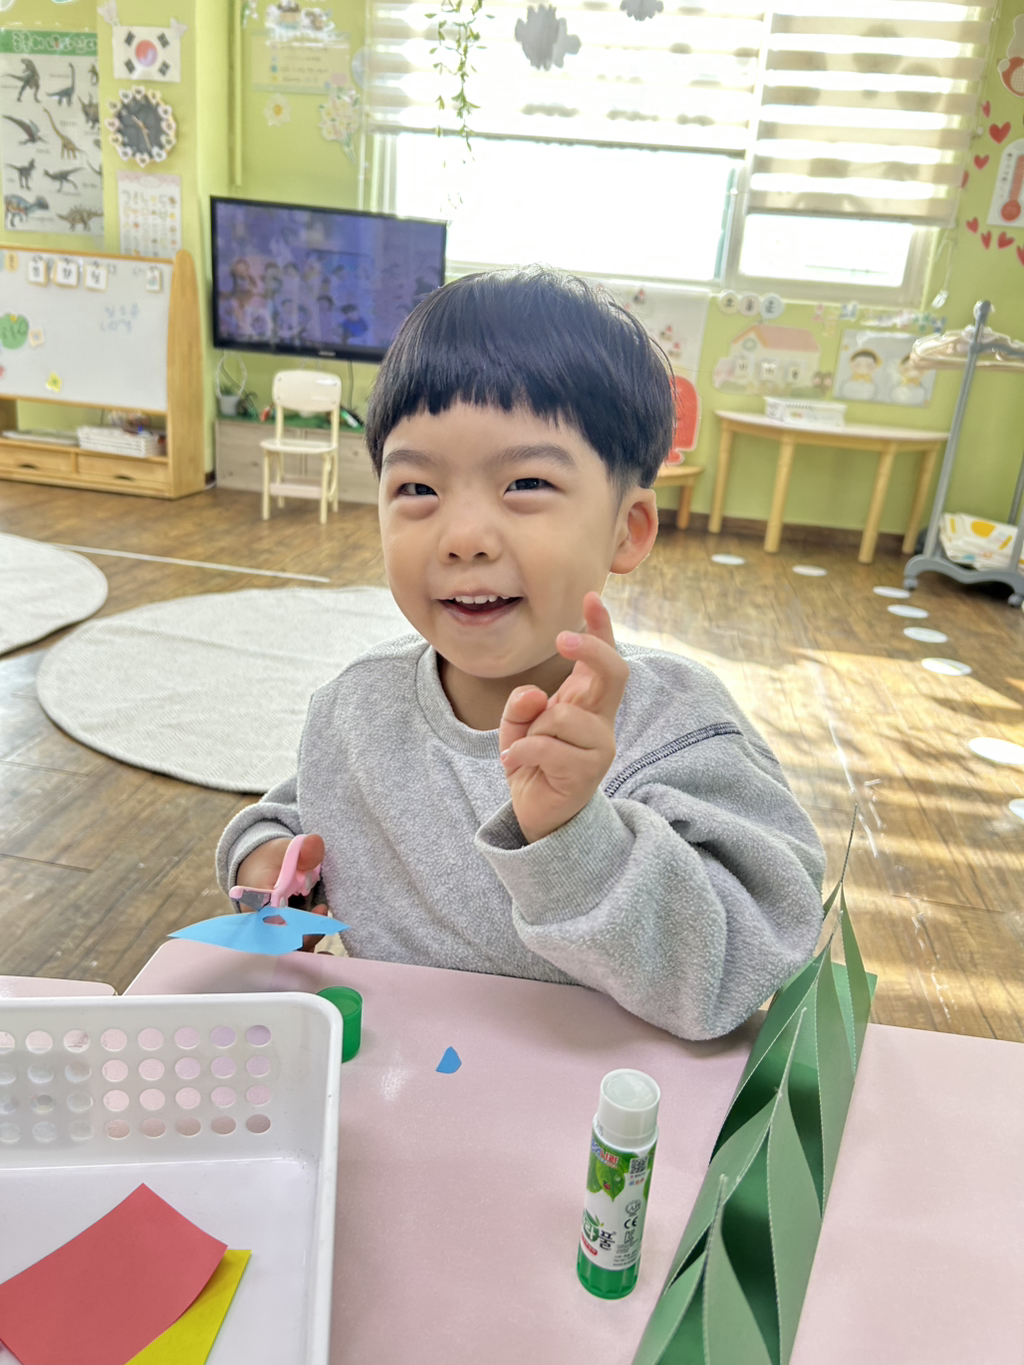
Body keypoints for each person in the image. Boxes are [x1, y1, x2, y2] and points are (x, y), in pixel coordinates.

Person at [216, 266, 825, 1041]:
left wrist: (575, 835)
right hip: (396, 1077)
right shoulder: (357, 705)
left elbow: (745, 961)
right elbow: (309, 807)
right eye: (417, 489)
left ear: (628, 529)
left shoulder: (677, 728)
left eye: (526, 482)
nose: (464, 536)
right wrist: (266, 856)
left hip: (605, 1098)